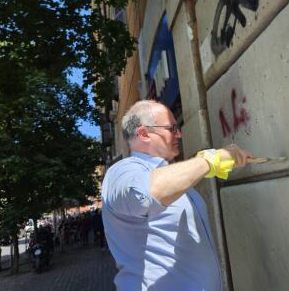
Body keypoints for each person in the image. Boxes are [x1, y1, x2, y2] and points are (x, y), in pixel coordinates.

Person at [102, 100, 252, 290]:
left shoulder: (168, 174)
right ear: (144, 133)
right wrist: (209, 161)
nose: (179, 134)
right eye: (172, 128)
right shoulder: (122, 171)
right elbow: (144, 194)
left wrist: (202, 166)